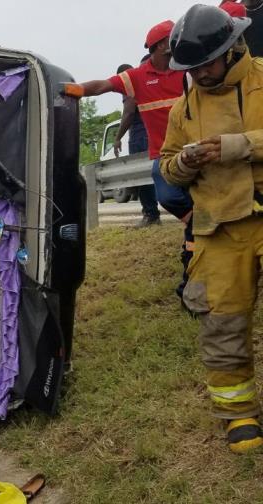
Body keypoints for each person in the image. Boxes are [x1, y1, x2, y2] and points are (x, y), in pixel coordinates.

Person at [159, 4, 263, 453]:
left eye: (206, 63)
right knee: (222, 324)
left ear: (232, 47)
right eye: (191, 67)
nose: (199, 74)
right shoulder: (183, 108)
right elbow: (166, 166)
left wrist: (238, 146)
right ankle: (238, 412)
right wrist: (182, 163)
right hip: (219, 228)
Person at [76, 20, 185, 228]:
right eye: (174, 37)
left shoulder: (186, 69)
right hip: (164, 156)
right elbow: (102, 86)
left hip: (191, 149)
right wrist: (72, 90)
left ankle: (195, 237)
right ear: (161, 45)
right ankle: (194, 226)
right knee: (168, 197)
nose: (179, 40)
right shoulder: (137, 77)